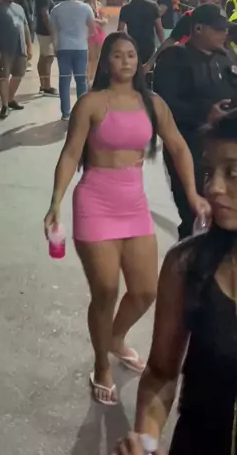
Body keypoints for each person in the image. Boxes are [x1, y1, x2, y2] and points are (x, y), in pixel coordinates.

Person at [44, 33, 207, 406]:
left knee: (146, 291)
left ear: (139, 60)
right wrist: (55, 202)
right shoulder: (91, 103)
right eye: (118, 55)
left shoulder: (153, 104)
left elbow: (179, 146)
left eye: (131, 55)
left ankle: (115, 338)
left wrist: (193, 193)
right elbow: (70, 154)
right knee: (105, 290)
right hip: (95, 202)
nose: (126, 61)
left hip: (134, 205)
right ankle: (101, 364)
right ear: (106, 62)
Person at [126, 113, 237, 454]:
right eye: (209, 172)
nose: (213, 188)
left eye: (233, 173)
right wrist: (146, 441)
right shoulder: (186, 265)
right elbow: (160, 374)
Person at [154, 4, 237, 239]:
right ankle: (189, 256)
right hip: (189, 149)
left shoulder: (226, 57)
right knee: (197, 215)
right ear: (198, 28)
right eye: (218, 29)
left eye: (225, 29)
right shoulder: (174, 58)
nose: (224, 33)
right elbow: (164, 105)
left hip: (225, 151)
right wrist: (205, 114)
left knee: (225, 218)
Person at [0, 0, 33, 120]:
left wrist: (29, 45)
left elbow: (25, 27)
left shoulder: (19, 8)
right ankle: (5, 104)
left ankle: (10, 98)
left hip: (20, 48)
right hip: (4, 49)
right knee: (4, 77)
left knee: (19, 74)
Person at [50, 0, 95, 122]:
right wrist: (84, 37)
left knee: (64, 80)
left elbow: (53, 31)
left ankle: (65, 113)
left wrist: (55, 46)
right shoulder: (86, 8)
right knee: (81, 81)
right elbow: (92, 28)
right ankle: (82, 112)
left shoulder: (56, 9)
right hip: (80, 47)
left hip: (63, 47)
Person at [118, 0, 164, 67]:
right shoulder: (153, 6)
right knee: (148, 70)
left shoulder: (125, 9)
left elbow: (120, 30)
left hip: (132, 45)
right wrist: (162, 45)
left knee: (133, 69)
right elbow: (159, 29)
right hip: (149, 45)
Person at [35, 0, 57, 96]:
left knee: (43, 58)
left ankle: (43, 84)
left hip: (41, 31)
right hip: (46, 32)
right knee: (48, 58)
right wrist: (52, 31)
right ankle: (47, 86)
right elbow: (45, 15)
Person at [83, 0, 108, 84]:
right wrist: (98, 21)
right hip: (90, 33)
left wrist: (101, 21)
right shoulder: (86, 6)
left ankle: (95, 77)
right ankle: (88, 78)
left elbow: (104, 18)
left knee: (98, 57)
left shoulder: (98, 4)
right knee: (91, 57)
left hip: (100, 33)